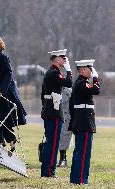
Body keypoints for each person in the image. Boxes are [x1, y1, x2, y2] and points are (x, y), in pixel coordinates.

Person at [40, 49, 72, 178]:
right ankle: (48, 172)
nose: (64, 60)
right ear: (56, 60)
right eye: (62, 57)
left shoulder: (51, 72)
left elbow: (43, 95)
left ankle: (47, 171)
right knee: (53, 143)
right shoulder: (53, 73)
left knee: (51, 141)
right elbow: (69, 83)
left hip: (51, 110)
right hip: (53, 111)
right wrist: (69, 70)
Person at [69, 59, 100, 185]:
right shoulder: (82, 83)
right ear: (82, 70)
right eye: (90, 69)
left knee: (79, 151)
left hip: (80, 121)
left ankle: (76, 179)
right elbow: (96, 90)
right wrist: (96, 79)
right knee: (83, 153)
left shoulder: (79, 83)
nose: (91, 72)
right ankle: (81, 179)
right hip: (84, 122)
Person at [57, 87, 73, 167]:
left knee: (64, 137)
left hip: (67, 117)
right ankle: (57, 158)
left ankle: (63, 158)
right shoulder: (53, 89)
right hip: (56, 116)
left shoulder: (69, 91)